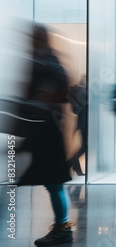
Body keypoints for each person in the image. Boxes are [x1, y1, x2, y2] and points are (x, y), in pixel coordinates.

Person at [18, 24, 73, 246]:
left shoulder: (45, 61)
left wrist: (44, 97)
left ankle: (62, 227)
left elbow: (61, 91)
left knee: (53, 181)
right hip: (45, 129)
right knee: (53, 181)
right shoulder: (46, 59)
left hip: (47, 131)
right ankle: (62, 226)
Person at [68, 75, 87, 176]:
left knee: (84, 146)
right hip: (84, 123)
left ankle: (74, 166)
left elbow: (76, 110)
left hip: (81, 122)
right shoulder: (84, 92)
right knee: (85, 147)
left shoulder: (79, 92)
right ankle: (70, 164)